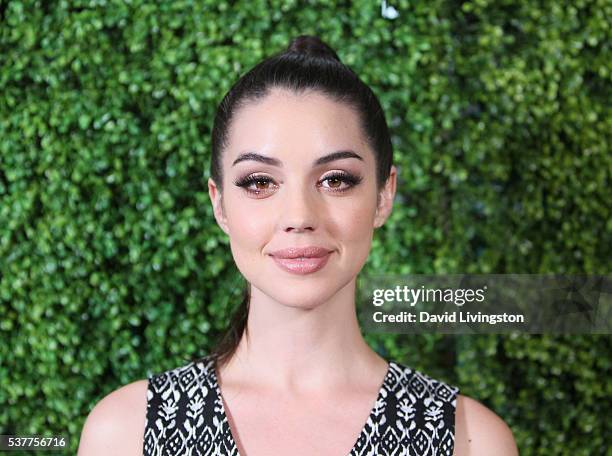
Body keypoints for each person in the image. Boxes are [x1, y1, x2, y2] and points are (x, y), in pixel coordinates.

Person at [78, 35, 518, 455]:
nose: (299, 217)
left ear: (384, 196)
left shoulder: (470, 440)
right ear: (220, 205)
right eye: (260, 182)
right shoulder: (126, 433)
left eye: (335, 180)